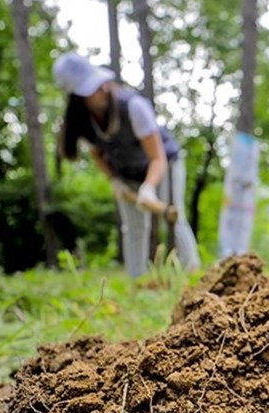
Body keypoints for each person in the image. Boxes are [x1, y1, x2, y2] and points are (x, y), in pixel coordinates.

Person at [53, 52, 199, 277]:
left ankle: (193, 273)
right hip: (126, 172)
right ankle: (137, 282)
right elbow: (99, 155)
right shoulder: (83, 122)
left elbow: (157, 157)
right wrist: (115, 181)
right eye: (92, 88)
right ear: (78, 96)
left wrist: (149, 188)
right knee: (134, 228)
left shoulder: (134, 107)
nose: (102, 88)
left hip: (163, 164)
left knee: (174, 219)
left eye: (99, 83)